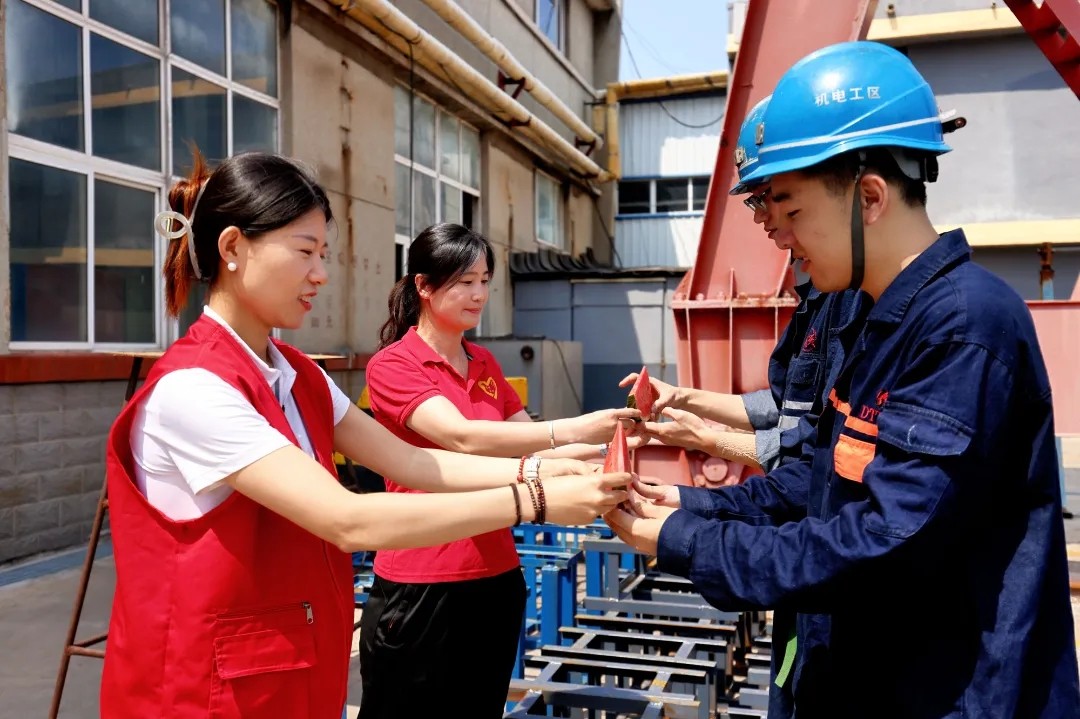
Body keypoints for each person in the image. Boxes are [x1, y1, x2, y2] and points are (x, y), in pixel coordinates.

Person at [606, 41, 1080, 718]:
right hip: (861, 671)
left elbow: (886, 543)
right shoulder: (866, 315)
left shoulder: (964, 327)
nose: (778, 235)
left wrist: (687, 540)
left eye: (791, 210)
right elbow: (818, 484)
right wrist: (687, 505)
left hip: (950, 693)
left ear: (870, 196)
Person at [101, 152, 629, 719]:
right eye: (304, 251)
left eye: (323, 255)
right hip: (201, 692)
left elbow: (414, 463)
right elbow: (348, 520)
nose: (321, 274)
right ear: (232, 247)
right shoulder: (195, 389)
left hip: (284, 674)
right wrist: (536, 499)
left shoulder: (299, 375)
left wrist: (545, 469)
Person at [357, 222, 641, 718]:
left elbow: (528, 446)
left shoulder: (484, 362)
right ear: (424, 286)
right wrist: (576, 427)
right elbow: (462, 437)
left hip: (495, 577)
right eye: (465, 282)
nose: (479, 294)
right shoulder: (393, 365)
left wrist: (607, 450)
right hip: (422, 579)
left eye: (485, 280)